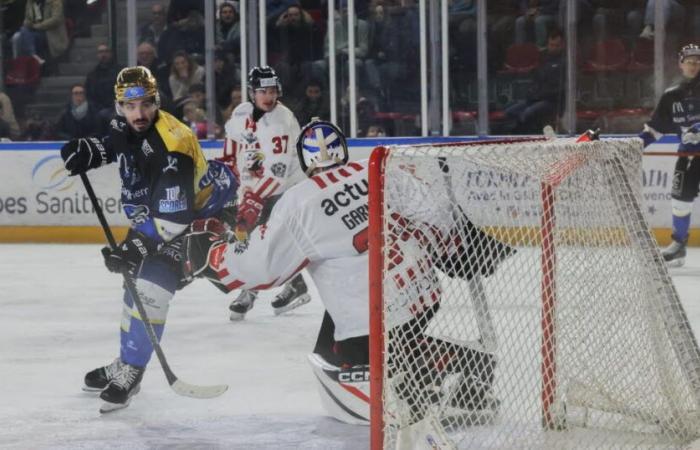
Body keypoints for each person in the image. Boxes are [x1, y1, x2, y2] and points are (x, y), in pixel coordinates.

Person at [181, 119, 510, 424]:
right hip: (420, 292)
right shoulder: (380, 169)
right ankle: (450, 366)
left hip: (368, 308)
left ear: (307, 161)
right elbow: (436, 210)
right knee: (339, 342)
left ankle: (439, 373)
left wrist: (211, 254)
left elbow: (262, 266)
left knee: (348, 357)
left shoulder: (301, 201)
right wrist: (454, 248)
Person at [59, 66, 237, 412]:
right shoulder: (124, 123)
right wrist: (91, 150)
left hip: (198, 219)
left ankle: (133, 370)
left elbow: (173, 218)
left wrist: (133, 248)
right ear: (119, 106)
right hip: (156, 213)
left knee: (151, 290)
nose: (137, 114)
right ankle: (128, 360)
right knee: (132, 286)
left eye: (145, 105)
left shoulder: (174, 144)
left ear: (157, 101)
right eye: (129, 105)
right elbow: (119, 144)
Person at [220, 66, 310, 321]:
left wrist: (253, 202)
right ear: (252, 93)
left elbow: (277, 174)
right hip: (256, 188)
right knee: (260, 241)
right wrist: (226, 171)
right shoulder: (241, 112)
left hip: (284, 189)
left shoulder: (280, 121)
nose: (268, 97)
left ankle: (249, 292)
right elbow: (232, 143)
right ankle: (294, 284)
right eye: (262, 91)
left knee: (257, 241)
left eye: (272, 91)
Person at [640, 44, 700, 267]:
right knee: (680, 201)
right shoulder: (671, 95)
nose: (694, 65)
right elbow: (655, 129)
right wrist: (637, 145)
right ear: (681, 63)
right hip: (687, 156)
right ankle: (678, 247)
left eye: (698, 61)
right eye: (690, 61)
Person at [504, 27, 566, 134]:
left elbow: (558, 90)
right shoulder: (543, 59)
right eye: (551, 45)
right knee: (510, 111)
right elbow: (536, 80)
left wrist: (539, 95)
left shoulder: (565, 62)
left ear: (563, 45)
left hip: (551, 102)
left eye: (556, 45)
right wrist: (532, 93)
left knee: (527, 113)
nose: (553, 48)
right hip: (535, 99)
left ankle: (529, 138)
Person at [11, 0, 68, 64]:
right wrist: (27, 23)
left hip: (50, 33)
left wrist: (38, 26)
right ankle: (33, 56)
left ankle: (23, 62)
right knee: (19, 35)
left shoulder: (55, 1)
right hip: (34, 32)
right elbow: (27, 18)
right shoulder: (30, 2)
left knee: (21, 36)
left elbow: (56, 19)